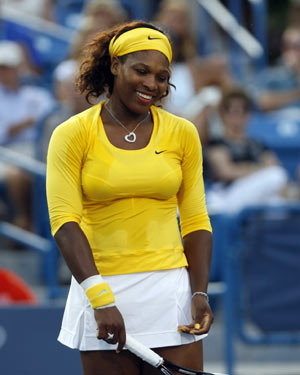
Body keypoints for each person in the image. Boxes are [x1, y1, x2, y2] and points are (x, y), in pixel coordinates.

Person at [46, 21, 213, 374]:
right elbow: (64, 222)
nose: (152, 84)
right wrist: (101, 300)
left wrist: (199, 293)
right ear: (114, 66)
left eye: (162, 76)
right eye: (141, 71)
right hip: (100, 288)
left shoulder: (183, 133)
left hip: (170, 292)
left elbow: (196, 220)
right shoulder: (72, 134)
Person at [204, 87, 289, 214]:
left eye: (243, 110)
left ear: (248, 114)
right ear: (222, 114)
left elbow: (273, 164)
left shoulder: (257, 144)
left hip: (255, 193)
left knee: (278, 203)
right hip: (228, 195)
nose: (238, 116)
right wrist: (259, 169)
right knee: (275, 176)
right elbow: (226, 172)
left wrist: (246, 169)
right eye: (233, 111)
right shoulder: (216, 143)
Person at [0, 40, 54, 231]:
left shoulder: (37, 94)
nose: (4, 73)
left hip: (36, 149)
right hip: (7, 152)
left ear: (18, 69)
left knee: (32, 172)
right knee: (16, 174)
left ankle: (24, 221)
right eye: (1, 68)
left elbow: (49, 122)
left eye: (8, 68)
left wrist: (16, 127)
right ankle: (23, 220)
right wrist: (26, 123)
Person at [251, 25, 300, 113]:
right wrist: (296, 94)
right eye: (287, 46)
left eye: (297, 46)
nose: (292, 51)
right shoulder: (271, 74)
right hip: (279, 123)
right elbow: (262, 103)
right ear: (283, 49)